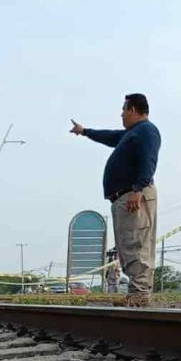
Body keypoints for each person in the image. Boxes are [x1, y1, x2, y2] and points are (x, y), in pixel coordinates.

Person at [70, 93, 161, 307]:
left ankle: (140, 293)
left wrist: (138, 189)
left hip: (134, 194)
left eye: (123, 110)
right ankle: (136, 292)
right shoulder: (130, 134)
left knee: (137, 243)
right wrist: (85, 131)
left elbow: (149, 160)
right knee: (128, 245)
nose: (121, 114)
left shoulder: (147, 131)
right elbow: (110, 136)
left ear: (132, 110)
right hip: (124, 196)